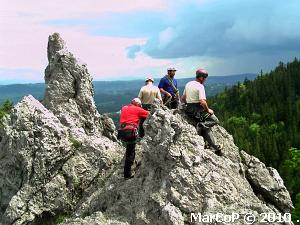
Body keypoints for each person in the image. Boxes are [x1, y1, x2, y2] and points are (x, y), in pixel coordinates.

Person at [182, 69, 223, 156]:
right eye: (204, 78)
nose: (205, 79)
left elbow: (183, 99)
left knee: (207, 128)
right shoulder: (200, 86)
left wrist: (187, 105)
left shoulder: (188, 84)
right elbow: (202, 102)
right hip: (198, 110)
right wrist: (208, 110)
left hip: (189, 109)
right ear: (200, 77)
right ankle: (201, 125)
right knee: (215, 120)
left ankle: (216, 148)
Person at [118, 98, 149, 179]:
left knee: (129, 148)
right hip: (130, 132)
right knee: (130, 153)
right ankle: (127, 175)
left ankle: (128, 169)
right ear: (138, 104)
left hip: (121, 132)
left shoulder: (124, 107)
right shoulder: (138, 109)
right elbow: (149, 114)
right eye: (140, 105)